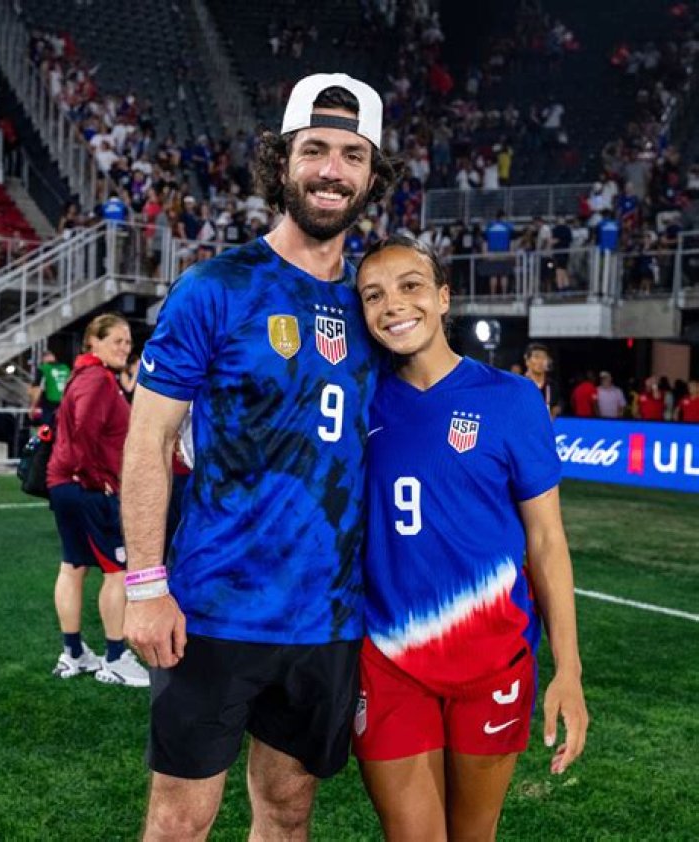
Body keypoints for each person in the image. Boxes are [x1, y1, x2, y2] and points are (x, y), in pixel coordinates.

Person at [120, 73, 396, 840]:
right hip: (213, 608)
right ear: (282, 162)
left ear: (373, 176)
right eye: (315, 150)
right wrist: (146, 585)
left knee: (288, 810)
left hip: (327, 617)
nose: (332, 170)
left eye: (352, 155)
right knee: (180, 820)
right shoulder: (217, 286)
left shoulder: (375, 308)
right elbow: (148, 440)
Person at [353, 236, 588, 840]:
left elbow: (546, 541)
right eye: (373, 295)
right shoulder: (357, 401)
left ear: (443, 298)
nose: (393, 304)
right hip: (389, 660)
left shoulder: (512, 400)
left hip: (493, 662)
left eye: (410, 286)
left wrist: (568, 671)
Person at [47, 313, 149, 688]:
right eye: (117, 341)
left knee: (73, 567)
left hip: (66, 484)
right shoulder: (98, 380)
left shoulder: (85, 375)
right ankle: (116, 657)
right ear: (94, 341)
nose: (125, 347)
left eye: (128, 342)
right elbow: (84, 433)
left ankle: (74, 652)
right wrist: (97, 480)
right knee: (116, 571)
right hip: (85, 487)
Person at [28, 350, 71, 426]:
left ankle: (46, 432)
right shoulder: (66, 368)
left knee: (46, 426)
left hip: (49, 403)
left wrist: (33, 406)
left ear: (44, 359)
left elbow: (37, 389)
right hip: (65, 403)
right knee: (62, 426)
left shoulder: (43, 368)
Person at [524, 342, 561, 418]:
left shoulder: (552, 386)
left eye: (544, 357)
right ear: (527, 361)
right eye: (536, 357)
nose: (540, 361)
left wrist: (555, 411)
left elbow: (557, 406)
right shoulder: (521, 386)